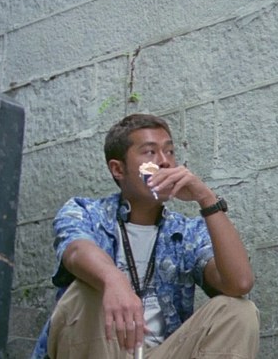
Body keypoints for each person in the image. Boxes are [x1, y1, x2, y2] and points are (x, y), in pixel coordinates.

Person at [31, 114, 259, 359]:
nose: (164, 161)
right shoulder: (85, 212)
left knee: (238, 311)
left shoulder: (185, 232)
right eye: (150, 152)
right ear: (118, 169)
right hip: (100, 346)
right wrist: (113, 280)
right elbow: (76, 251)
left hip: (163, 351)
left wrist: (206, 199)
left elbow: (239, 284)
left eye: (169, 152)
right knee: (86, 289)